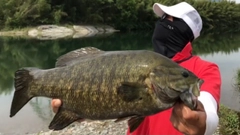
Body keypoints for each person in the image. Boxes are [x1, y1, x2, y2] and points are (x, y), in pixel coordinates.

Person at [51, 2, 221, 135]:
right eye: (160, 19)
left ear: (184, 28)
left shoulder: (204, 69)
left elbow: (209, 108)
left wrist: (203, 124)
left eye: (167, 19)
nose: (160, 23)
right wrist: (84, 109)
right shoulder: (142, 60)